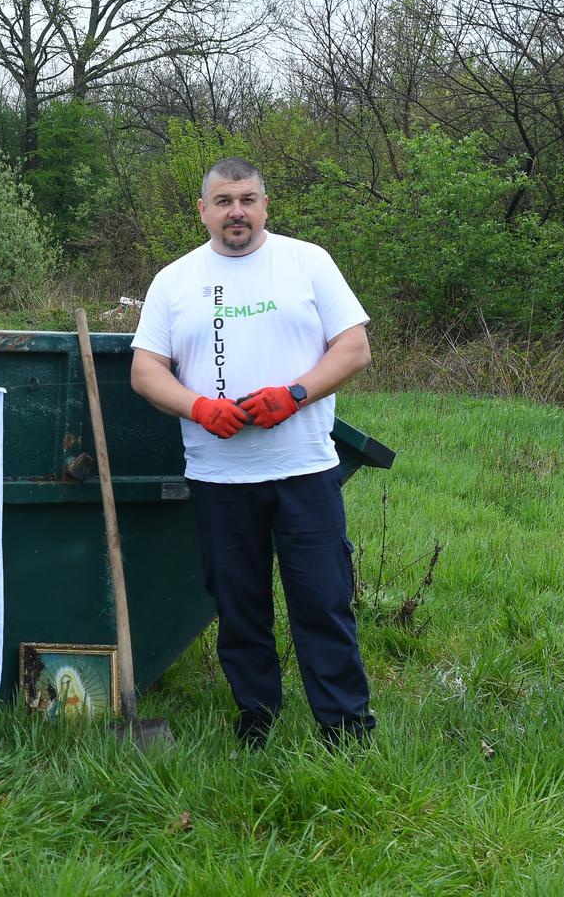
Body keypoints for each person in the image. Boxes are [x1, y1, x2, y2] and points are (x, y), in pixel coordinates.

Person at [129, 157, 375, 748]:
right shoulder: (174, 280)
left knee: (323, 600)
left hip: (304, 469)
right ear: (203, 210)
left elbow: (354, 347)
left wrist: (295, 394)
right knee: (239, 607)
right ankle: (257, 721)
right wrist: (198, 407)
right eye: (223, 201)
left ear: (265, 205)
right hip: (219, 475)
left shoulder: (307, 262)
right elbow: (145, 370)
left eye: (246, 199)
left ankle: (345, 728)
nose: (235, 211)